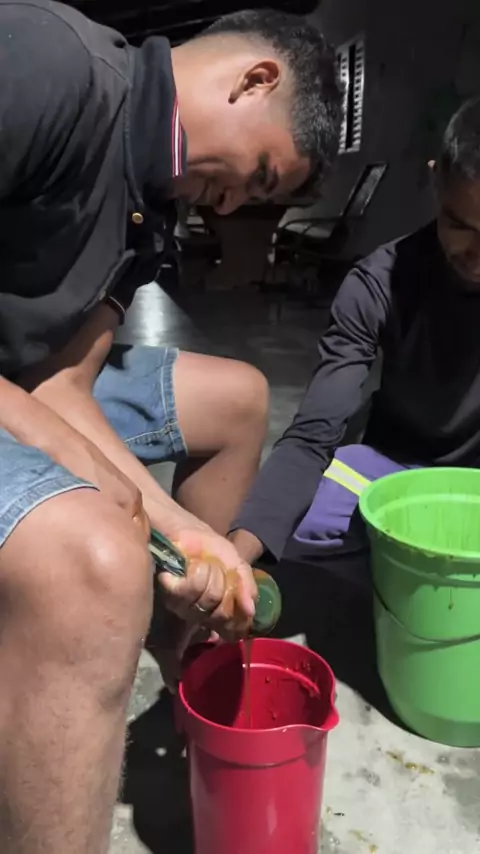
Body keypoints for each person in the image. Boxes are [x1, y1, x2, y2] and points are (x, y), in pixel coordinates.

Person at [0, 1, 342, 850]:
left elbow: (65, 381)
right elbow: (44, 408)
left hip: (21, 379)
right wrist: (85, 475)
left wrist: (184, 533)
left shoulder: (149, 205)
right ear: (254, 81)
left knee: (238, 397)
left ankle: (173, 653)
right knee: (98, 561)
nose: (234, 207)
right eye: (261, 178)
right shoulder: (52, 67)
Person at [230, 97, 480, 581]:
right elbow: (313, 434)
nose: (478, 255)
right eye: (460, 225)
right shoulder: (377, 284)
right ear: (436, 182)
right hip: (391, 468)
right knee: (292, 524)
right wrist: (236, 558)